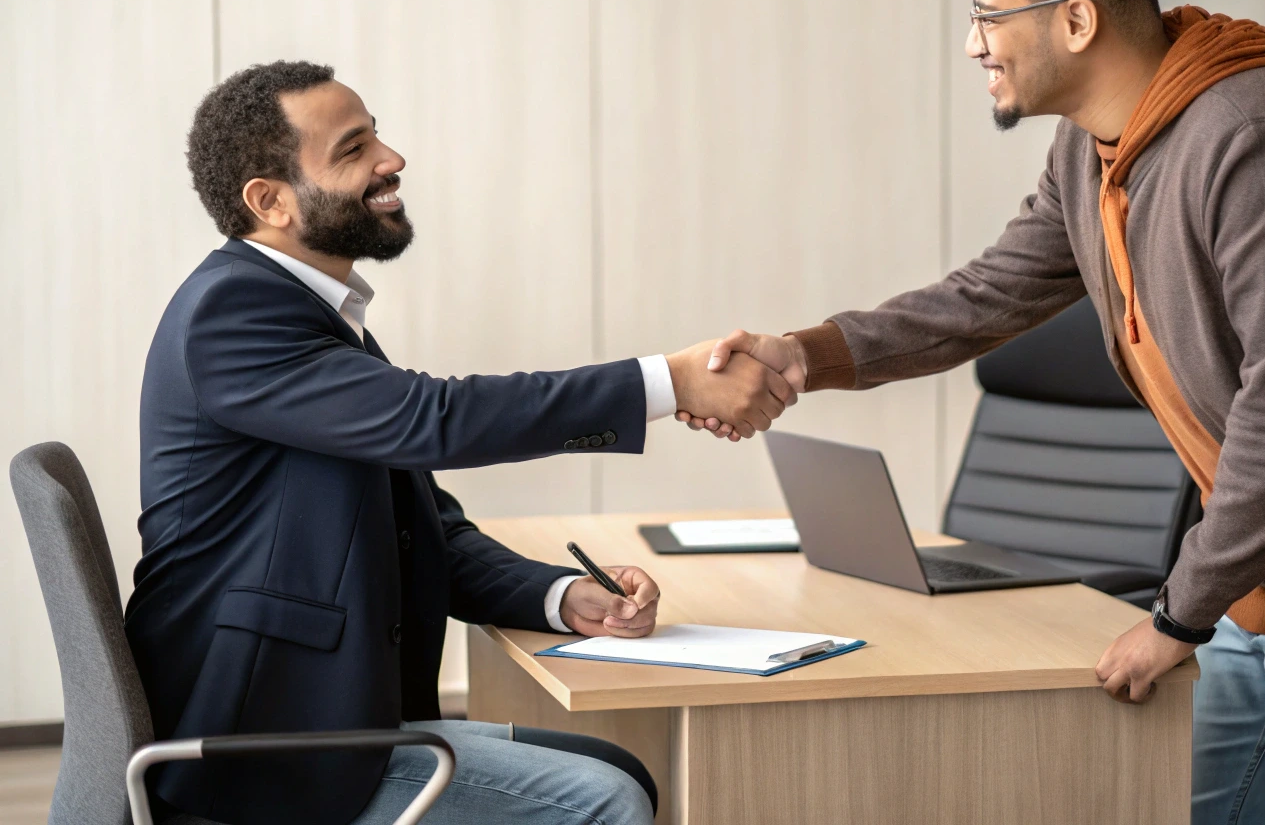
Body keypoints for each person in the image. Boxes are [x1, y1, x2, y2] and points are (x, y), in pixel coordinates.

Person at [680, 0, 1265, 825]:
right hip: (1255, 568)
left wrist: (1177, 616)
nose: (975, 44)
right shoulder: (1093, 152)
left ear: (1076, 21)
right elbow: (985, 296)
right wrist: (804, 355)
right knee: (1175, 806)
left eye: (990, 17)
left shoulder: (1261, 143)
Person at [127, 61, 789, 825]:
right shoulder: (234, 315)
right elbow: (435, 418)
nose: (391, 159)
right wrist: (669, 383)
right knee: (606, 799)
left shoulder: (310, 320)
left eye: (376, 134)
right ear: (270, 201)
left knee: (615, 767)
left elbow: (423, 527)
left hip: (314, 717)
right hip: (258, 751)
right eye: (353, 149)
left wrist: (561, 596)